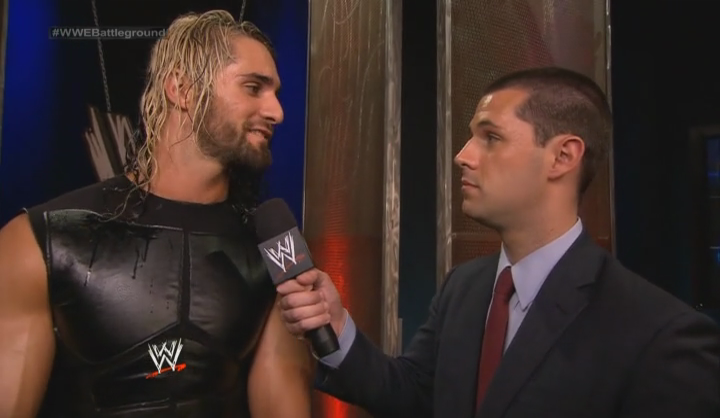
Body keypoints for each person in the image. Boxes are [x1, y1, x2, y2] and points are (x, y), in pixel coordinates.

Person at [276, 67, 720, 418]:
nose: (463, 156)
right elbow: (413, 394)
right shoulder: (463, 288)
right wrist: (338, 328)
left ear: (563, 156)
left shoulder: (661, 336)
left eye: (491, 137)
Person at [0, 10, 313, 418]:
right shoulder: (40, 241)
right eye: (253, 88)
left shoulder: (273, 253)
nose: (277, 112)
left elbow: (282, 404)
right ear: (182, 89)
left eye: (275, 93)